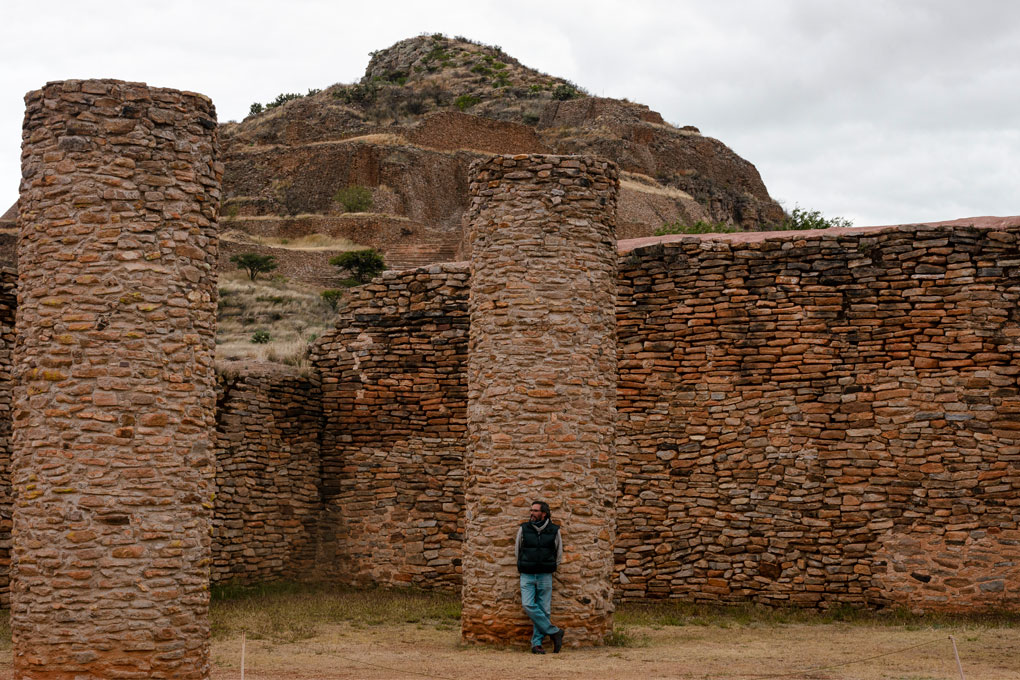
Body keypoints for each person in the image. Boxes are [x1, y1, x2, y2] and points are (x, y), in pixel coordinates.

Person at [515, 500, 565, 654]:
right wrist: (523, 564)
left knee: (544, 610)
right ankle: (554, 631)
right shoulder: (523, 529)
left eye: (535, 511)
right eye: (531, 510)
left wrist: (550, 566)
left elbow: (559, 552)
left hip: (545, 575)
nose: (532, 513)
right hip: (527, 574)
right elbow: (517, 550)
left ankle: (536, 644)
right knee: (528, 605)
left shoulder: (554, 530)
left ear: (544, 513)